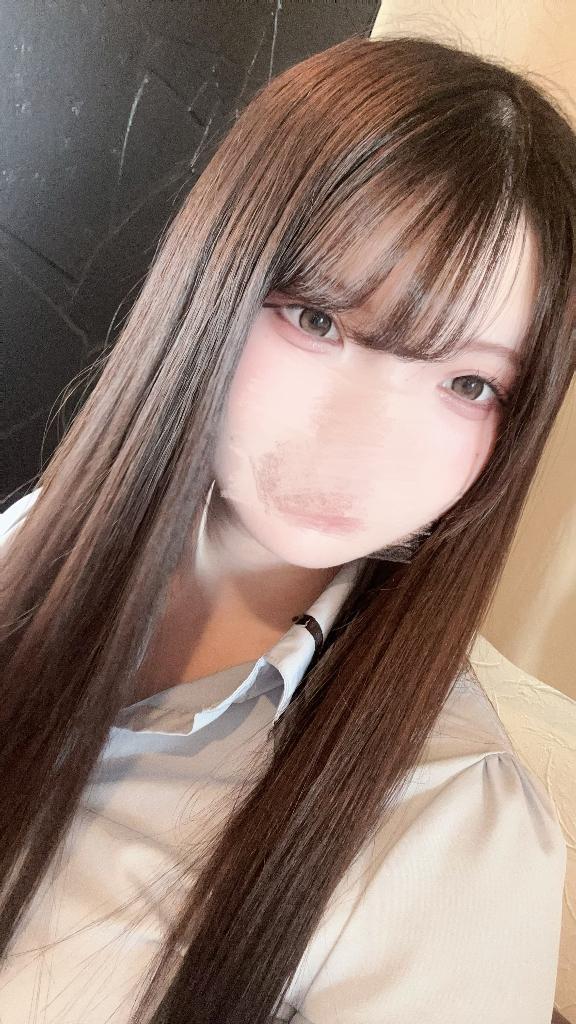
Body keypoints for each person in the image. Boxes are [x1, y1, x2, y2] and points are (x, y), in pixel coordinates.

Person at [0, 31, 574, 1024]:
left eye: (468, 383)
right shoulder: (28, 541)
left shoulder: (454, 824)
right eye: (320, 321)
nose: (366, 441)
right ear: (213, 283)